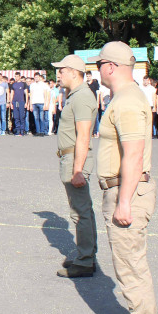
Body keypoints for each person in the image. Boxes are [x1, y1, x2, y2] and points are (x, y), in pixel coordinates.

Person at [91, 42, 157, 314]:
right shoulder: (126, 97)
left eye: (99, 65)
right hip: (122, 188)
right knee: (129, 267)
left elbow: (133, 154)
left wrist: (124, 202)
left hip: (126, 190)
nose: (98, 71)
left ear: (111, 66)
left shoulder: (128, 100)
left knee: (131, 270)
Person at [51, 54, 100, 278]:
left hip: (74, 159)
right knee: (82, 209)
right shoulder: (76, 95)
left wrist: (78, 169)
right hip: (71, 157)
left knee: (80, 212)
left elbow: (83, 136)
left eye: (61, 71)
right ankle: (86, 255)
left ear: (73, 72)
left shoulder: (81, 97)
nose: (58, 75)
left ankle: (85, 260)